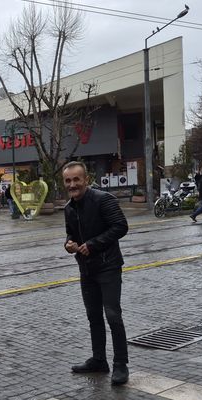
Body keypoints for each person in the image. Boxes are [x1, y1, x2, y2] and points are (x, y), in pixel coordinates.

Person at [62, 161, 131, 385]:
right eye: (68, 181)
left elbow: (121, 226)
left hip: (108, 265)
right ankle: (99, 360)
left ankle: (121, 364)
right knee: (93, 317)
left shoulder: (103, 199)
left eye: (76, 179)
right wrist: (69, 244)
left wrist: (93, 244)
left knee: (112, 315)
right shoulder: (68, 208)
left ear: (86, 180)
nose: (73, 184)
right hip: (86, 269)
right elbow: (70, 235)